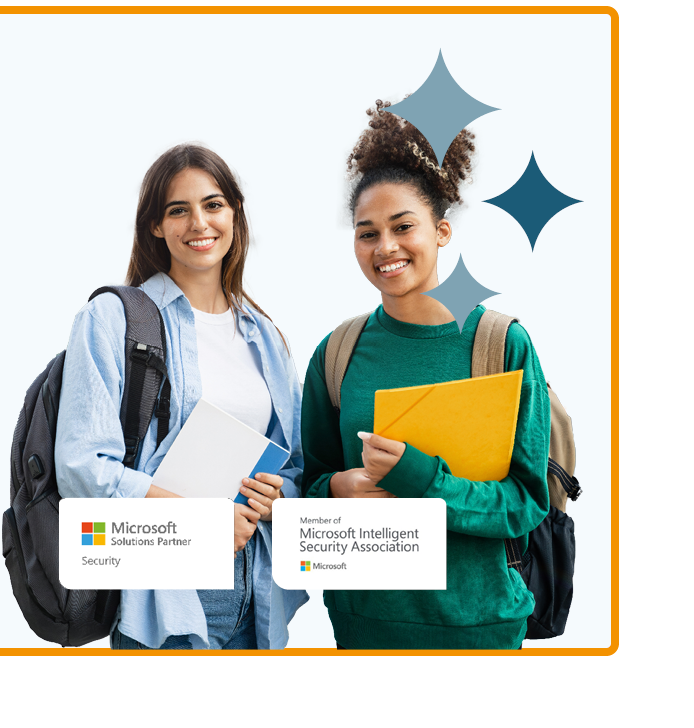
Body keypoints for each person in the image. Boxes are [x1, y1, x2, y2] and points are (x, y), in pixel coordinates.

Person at [301, 100, 550, 650]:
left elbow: (527, 503)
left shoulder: (501, 344)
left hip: (481, 626)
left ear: (440, 232)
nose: (384, 247)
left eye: (402, 226)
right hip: (364, 628)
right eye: (367, 233)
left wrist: (424, 482)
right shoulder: (336, 354)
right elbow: (307, 485)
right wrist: (335, 490)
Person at [55, 143, 308, 650]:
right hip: (165, 590)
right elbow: (83, 466)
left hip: (256, 591)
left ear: (234, 213)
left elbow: (294, 465)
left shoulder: (266, 336)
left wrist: (278, 496)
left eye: (213, 204)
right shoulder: (113, 319)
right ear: (155, 225)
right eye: (178, 209)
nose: (199, 222)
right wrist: (198, 523)